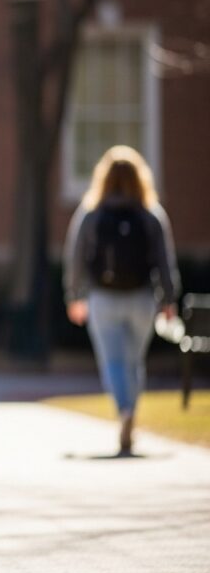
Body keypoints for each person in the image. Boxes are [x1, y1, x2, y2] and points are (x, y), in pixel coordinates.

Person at [63, 145, 179, 455]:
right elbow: (164, 260)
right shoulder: (150, 214)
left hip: (103, 298)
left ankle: (124, 410)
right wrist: (169, 298)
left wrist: (74, 294)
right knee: (133, 362)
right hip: (142, 298)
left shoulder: (92, 212)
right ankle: (131, 412)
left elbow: (76, 257)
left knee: (112, 361)